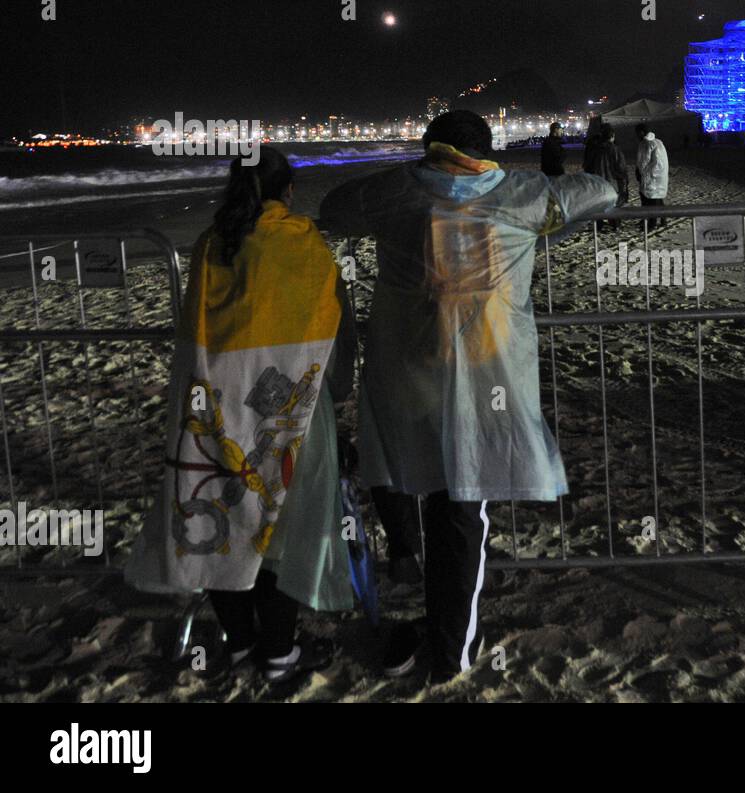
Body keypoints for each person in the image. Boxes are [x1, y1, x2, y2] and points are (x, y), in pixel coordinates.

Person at [319, 110, 616, 683]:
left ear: (432, 148)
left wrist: (409, 177)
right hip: (485, 379)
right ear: (485, 151)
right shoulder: (522, 194)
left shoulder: (398, 192)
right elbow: (601, 191)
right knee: (461, 507)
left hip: (406, 375)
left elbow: (335, 209)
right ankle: (451, 651)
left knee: (408, 474)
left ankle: (407, 556)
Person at [126, 147, 356, 685]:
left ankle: (241, 643)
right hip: (289, 407)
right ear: (288, 191)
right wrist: (339, 393)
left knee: (221, 514)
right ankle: (278, 652)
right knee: (281, 526)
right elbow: (332, 323)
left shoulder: (212, 243)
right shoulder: (300, 240)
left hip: (211, 403)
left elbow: (194, 331)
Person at [581, 123, 629, 231]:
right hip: (612, 183)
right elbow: (621, 167)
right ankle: (615, 224)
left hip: (598, 182)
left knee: (599, 204)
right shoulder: (615, 149)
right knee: (614, 204)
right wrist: (624, 180)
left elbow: (587, 165)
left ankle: (599, 224)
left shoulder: (595, 149)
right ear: (612, 136)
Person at [634, 122, 669, 230]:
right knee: (658, 198)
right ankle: (663, 219)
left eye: (636, 133)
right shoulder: (658, 141)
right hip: (660, 177)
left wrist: (640, 174)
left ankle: (650, 224)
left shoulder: (645, 144)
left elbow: (643, 162)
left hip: (651, 177)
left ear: (641, 132)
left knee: (649, 200)